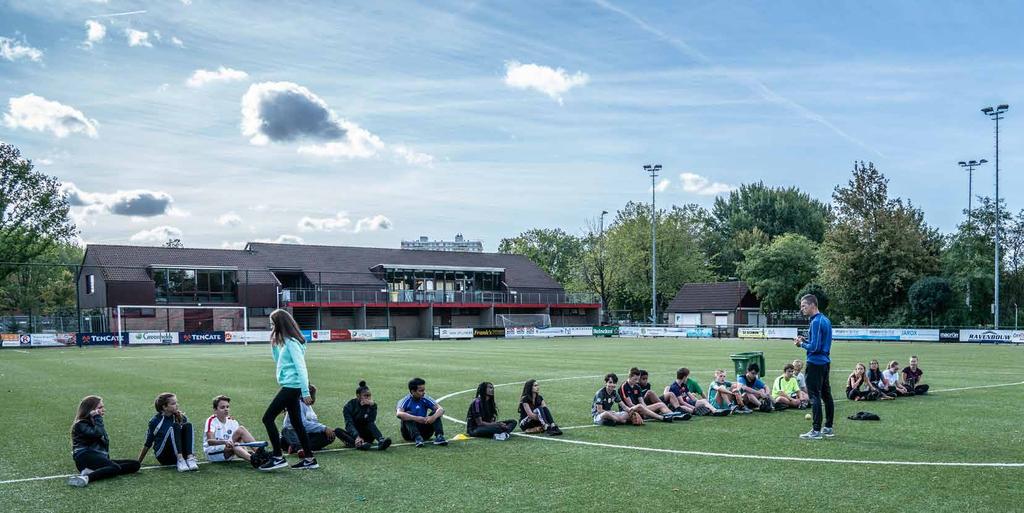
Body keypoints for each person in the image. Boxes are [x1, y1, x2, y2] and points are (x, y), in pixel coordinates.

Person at [260, 308, 317, 470]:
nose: (271, 328)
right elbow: (280, 363)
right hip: (290, 386)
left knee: (268, 418)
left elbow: (301, 367)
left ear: (280, 324)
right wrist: (274, 347)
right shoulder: (287, 342)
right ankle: (310, 459)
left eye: (272, 324)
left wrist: (305, 392)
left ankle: (278, 457)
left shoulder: (292, 343)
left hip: (293, 387)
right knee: (297, 423)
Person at [68, 395, 141, 487]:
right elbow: (97, 433)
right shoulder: (81, 424)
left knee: (135, 465)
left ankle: (96, 471)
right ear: (91, 410)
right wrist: (97, 417)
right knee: (115, 467)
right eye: (100, 407)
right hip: (85, 457)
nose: (103, 409)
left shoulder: (93, 422)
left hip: (96, 456)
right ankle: (87, 477)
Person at [794, 293, 835, 440]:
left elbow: (816, 347)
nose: (802, 309)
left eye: (804, 306)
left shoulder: (816, 321)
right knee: (826, 395)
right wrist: (807, 340)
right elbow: (820, 342)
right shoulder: (826, 320)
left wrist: (801, 344)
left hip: (815, 363)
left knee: (815, 396)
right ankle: (828, 427)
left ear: (813, 305)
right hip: (825, 362)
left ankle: (816, 430)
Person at [137, 393, 198, 472]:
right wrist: (138, 463)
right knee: (175, 426)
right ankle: (180, 459)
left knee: (188, 425)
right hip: (165, 456)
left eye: (176, 402)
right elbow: (148, 443)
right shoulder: (155, 421)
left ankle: (190, 458)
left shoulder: (181, 417)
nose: (177, 405)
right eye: (173, 403)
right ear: (164, 407)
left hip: (182, 454)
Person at [281, 384, 342, 454]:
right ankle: (299, 447)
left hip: (306, 434)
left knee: (330, 436)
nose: (313, 397)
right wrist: (324, 428)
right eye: (312, 394)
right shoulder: (298, 404)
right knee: (286, 431)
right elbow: (303, 424)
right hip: (294, 432)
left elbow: (313, 424)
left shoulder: (308, 406)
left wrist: (326, 430)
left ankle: (296, 447)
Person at [203, 395, 259, 463]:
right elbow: (210, 441)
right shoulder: (211, 421)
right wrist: (225, 442)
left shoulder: (232, 421)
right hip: (213, 452)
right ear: (215, 410)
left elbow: (239, 441)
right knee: (234, 446)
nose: (226, 409)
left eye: (227, 407)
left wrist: (245, 450)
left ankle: (260, 453)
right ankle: (255, 460)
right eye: (222, 407)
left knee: (241, 429)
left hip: (228, 448)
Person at [396, 377, 448, 447]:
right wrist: (417, 418)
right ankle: (417, 438)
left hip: (425, 432)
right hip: (409, 434)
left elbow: (441, 409)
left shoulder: (425, 398)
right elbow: (399, 414)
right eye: (420, 390)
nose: (424, 392)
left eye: (424, 390)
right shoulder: (405, 400)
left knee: (436, 412)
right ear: (412, 391)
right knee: (407, 414)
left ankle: (439, 436)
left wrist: (433, 417)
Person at [341, 380, 392, 451]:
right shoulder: (349, 406)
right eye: (365, 396)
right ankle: (359, 444)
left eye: (369, 395)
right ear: (358, 396)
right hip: (354, 435)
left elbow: (371, 420)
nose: (368, 398)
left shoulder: (371, 405)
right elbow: (349, 424)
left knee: (370, 423)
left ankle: (381, 441)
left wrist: (373, 407)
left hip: (367, 434)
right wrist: (357, 436)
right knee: (337, 431)